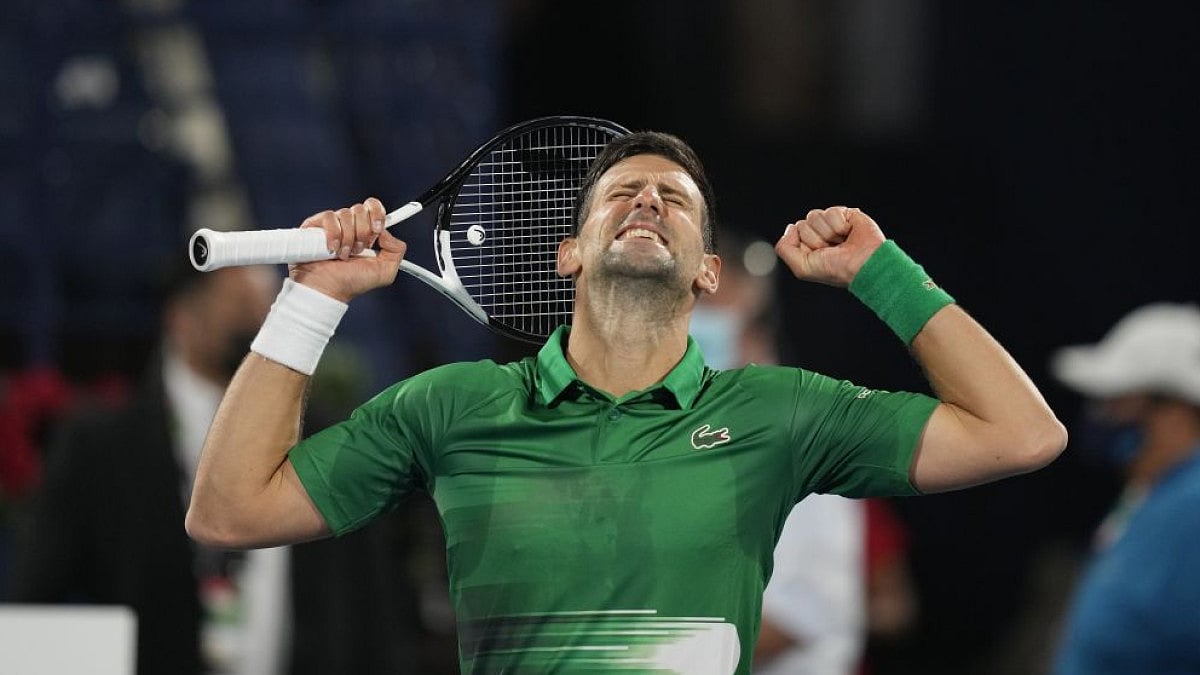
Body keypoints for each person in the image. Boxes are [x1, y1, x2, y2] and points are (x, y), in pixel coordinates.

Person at [186, 131, 1067, 674]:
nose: (648, 198)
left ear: (708, 270)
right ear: (569, 252)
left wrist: (883, 272)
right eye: (622, 192)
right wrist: (314, 298)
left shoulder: (781, 414)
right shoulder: (450, 407)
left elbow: (1021, 432)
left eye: (675, 201)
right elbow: (229, 509)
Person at [1050, 303, 1200, 674]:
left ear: (1176, 412)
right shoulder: (1155, 494)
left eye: (1118, 402)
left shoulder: (1192, 504)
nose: (1103, 417)